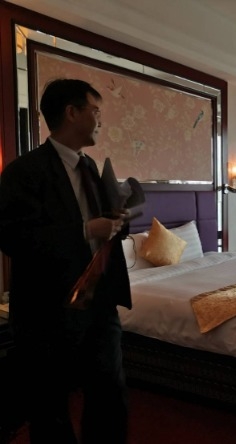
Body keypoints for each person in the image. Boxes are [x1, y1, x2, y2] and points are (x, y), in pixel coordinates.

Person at [0, 79, 132, 443]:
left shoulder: (92, 167)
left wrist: (118, 221)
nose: (101, 120)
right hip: (48, 306)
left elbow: (102, 223)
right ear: (72, 113)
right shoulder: (24, 172)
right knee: (50, 404)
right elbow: (13, 237)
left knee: (110, 391)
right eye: (96, 110)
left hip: (99, 299)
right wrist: (87, 229)